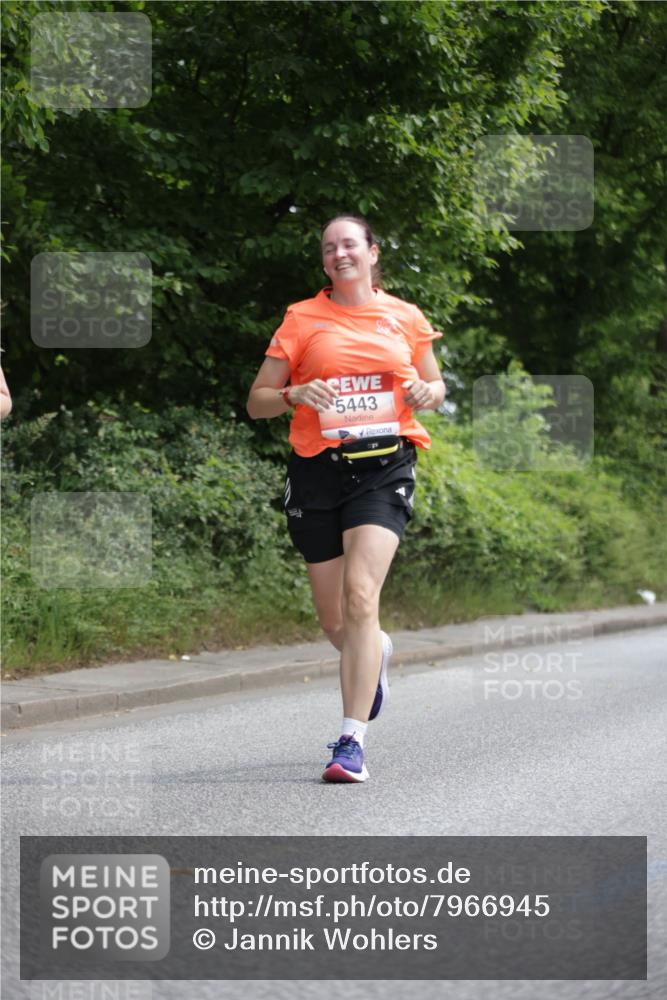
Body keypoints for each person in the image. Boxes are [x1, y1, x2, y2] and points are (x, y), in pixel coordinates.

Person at [246, 215, 445, 783]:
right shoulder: (302, 318)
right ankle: (374, 650)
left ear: (373, 253)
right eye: (329, 247)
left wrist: (426, 391)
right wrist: (293, 392)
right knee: (337, 620)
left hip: (385, 468)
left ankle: (350, 742)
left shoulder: (404, 316)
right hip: (316, 472)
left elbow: (434, 386)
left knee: (362, 597)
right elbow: (257, 400)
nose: (339, 254)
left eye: (349, 244)